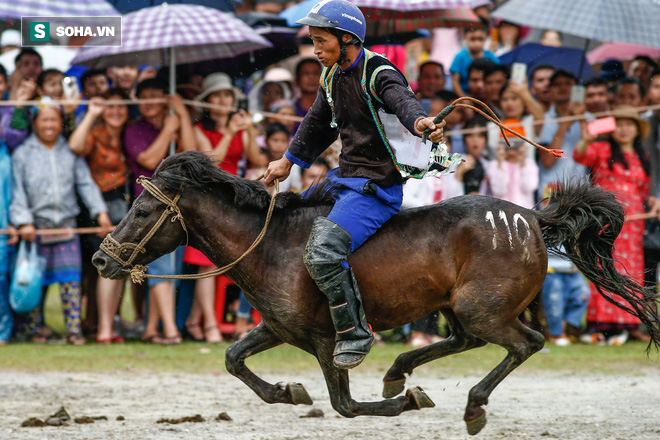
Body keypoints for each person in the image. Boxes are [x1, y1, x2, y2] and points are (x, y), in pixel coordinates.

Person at [263, 0, 445, 369]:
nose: (315, 50)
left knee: (322, 252)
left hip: (376, 188)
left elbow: (401, 100)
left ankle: (355, 333)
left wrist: (420, 122)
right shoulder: (331, 75)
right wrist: (287, 161)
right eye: (312, 41)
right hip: (344, 181)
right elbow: (316, 122)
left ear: (347, 38)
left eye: (320, 41)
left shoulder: (378, 72)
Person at [10, 100, 112, 345]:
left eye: (53, 120)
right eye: (43, 120)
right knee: (34, 282)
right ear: (34, 123)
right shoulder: (23, 153)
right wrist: (23, 222)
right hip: (36, 229)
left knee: (70, 283)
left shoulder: (70, 152)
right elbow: (17, 192)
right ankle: (36, 330)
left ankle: (73, 331)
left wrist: (100, 213)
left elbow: (86, 184)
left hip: (66, 227)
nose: (49, 125)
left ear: (60, 123)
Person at [124, 78, 196, 344]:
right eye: (143, 97)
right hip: (149, 209)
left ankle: (150, 328)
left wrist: (182, 114)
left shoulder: (173, 120)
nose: (148, 102)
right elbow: (150, 160)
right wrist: (169, 128)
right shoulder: (134, 130)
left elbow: (190, 152)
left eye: (155, 95)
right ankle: (171, 332)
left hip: (176, 207)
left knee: (170, 269)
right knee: (161, 268)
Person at [573, 106, 651, 344]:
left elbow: (646, 189)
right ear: (611, 127)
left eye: (630, 124)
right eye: (619, 123)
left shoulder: (643, 156)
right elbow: (580, 156)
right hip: (607, 217)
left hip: (635, 222)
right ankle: (602, 322)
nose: (624, 129)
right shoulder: (602, 148)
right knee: (605, 263)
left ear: (637, 128)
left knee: (630, 267)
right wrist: (586, 140)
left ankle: (629, 321)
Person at [68, 88, 131, 344]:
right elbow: (75, 146)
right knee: (108, 265)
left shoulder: (127, 134)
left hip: (124, 203)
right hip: (99, 204)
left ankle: (109, 325)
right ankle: (104, 329)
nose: (116, 112)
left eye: (120, 106)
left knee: (121, 265)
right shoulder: (95, 131)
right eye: (110, 107)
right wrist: (91, 113)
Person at [539, 183, 591, 346]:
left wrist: (577, 261)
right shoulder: (539, 222)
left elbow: (575, 245)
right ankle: (556, 333)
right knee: (555, 299)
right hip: (550, 270)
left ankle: (570, 325)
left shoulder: (571, 222)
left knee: (583, 294)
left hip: (570, 269)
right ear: (544, 204)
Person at [537, 70, 586, 200]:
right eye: (557, 84)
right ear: (550, 90)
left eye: (568, 84)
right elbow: (547, 161)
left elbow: (592, 152)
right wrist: (563, 125)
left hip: (581, 192)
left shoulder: (589, 118)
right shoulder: (543, 120)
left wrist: (581, 119)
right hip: (551, 190)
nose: (563, 87)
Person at [450, 25, 500, 97]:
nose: (476, 43)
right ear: (465, 37)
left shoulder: (490, 56)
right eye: (472, 39)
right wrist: (465, 99)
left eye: (480, 39)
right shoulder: (460, 57)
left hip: (487, 95)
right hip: (465, 95)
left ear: (486, 38)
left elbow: (500, 74)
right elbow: (455, 82)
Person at [487, 139, 538, 209]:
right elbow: (499, 190)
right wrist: (500, 162)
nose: (511, 146)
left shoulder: (529, 164)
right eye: (507, 143)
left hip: (525, 212)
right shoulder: (494, 165)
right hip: (502, 212)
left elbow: (529, 187)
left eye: (516, 144)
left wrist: (523, 162)